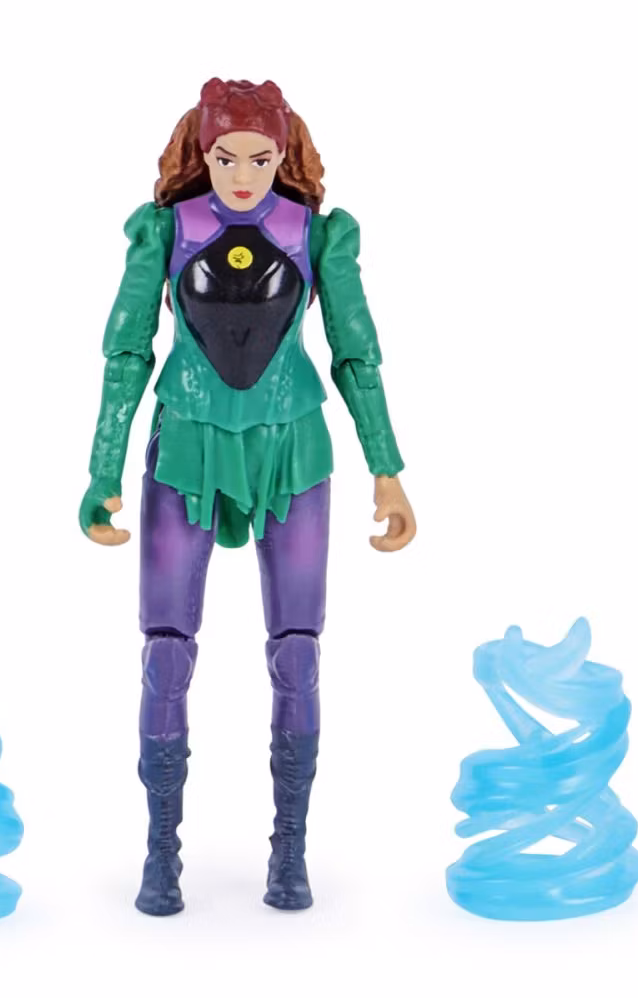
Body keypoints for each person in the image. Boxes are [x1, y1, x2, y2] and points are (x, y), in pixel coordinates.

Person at [79, 78, 416, 915]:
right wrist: (102, 470)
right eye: (225, 157)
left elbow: (356, 352)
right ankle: (161, 855)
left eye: (259, 159)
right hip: (186, 444)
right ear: (201, 153)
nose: (240, 175)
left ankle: (289, 853)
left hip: (291, 445)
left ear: (282, 155)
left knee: (297, 649)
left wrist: (387, 466)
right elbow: (126, 352)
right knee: (165, 649)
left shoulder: (319, 233)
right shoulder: (165, 229)